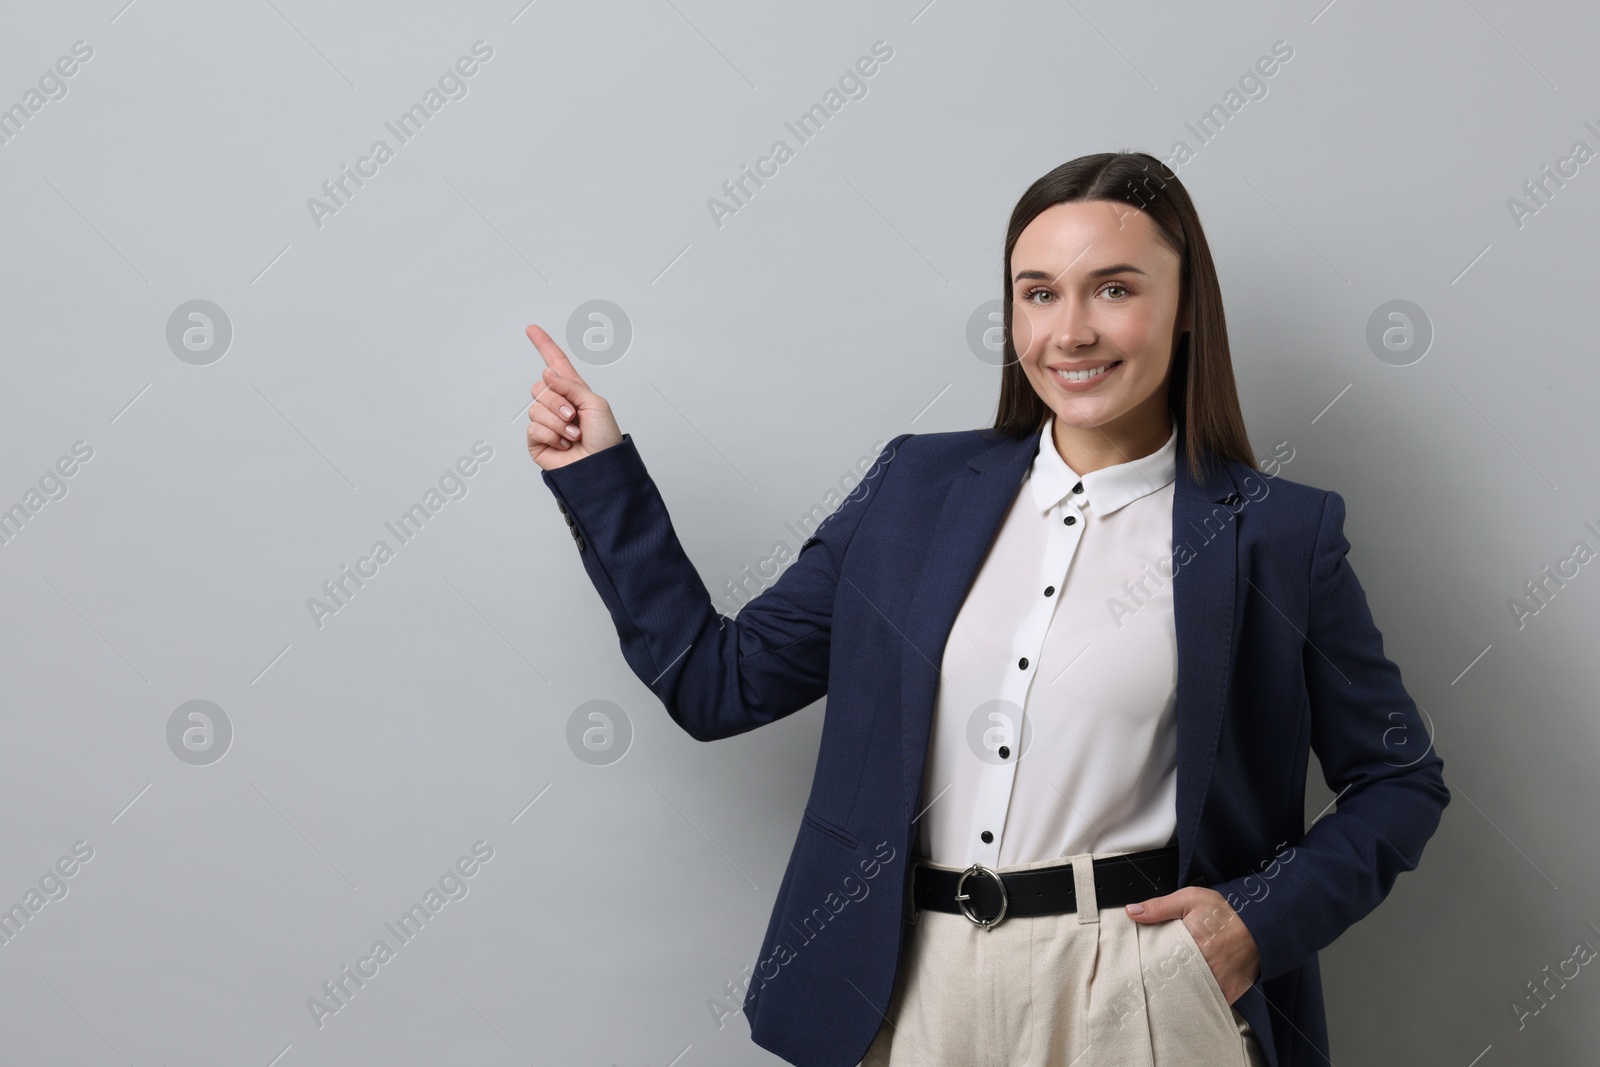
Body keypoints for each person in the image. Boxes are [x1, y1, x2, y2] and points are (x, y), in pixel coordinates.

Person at [524, 151, 1449, 1067]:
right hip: (911, 982)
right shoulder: (911, 489)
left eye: (1114, 289)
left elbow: (1400, 777)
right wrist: (599, 478)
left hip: (1138, 992)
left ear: (1188, 309)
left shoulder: (1278, 535)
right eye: (1039, 293)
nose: (1071, 331)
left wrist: (1255, 923)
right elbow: (716, 684)